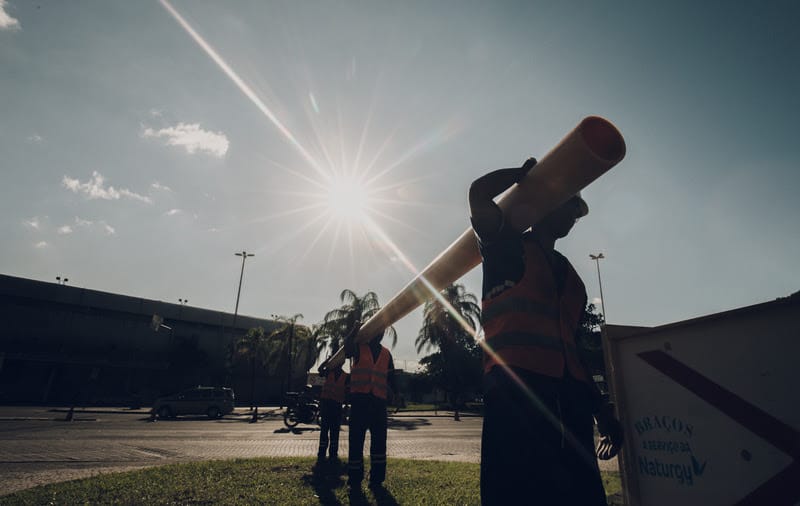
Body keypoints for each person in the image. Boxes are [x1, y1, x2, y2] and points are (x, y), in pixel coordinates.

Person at [469, 157, 624, 506]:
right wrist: (526, 177)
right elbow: (479, 193)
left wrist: (601, 411)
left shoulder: (573, 280)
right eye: (569, 203)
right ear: (545, 203)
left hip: (570, 398)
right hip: (516, 392)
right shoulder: (506, 249)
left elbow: (573, 349)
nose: (575, 215)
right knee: (518, 491)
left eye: (576, 208)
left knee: (580, 493)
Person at [344, 325, 397, 489]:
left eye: (380, 332)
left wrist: (394, 395)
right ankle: (354, 478)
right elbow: (347, 349)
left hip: (378, 404)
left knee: (379, 443)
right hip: (360, 402)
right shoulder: (359, 349)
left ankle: (377, 478)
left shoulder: (387, 354)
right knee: (356, 442)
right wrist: (355, 329)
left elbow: (392, 378)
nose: (379, 334)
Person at [316, 361, 349, 464]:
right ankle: (322, 453)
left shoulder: (345, 376)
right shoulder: (328, 372)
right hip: (327, 406)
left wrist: (346, 405)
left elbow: (347, 392)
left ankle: (333, 453)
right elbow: (320, 370)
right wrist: (327, 362)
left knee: (334, 432)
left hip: (336, 407)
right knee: (325, 431)